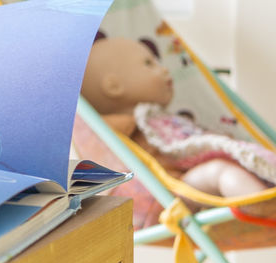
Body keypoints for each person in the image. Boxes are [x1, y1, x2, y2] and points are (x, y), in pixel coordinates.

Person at [81, 35, 274, 200]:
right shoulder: (110, 128)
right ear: (114, 86)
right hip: (174, 187)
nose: (164, 69)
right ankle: (264, 205)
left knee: (244, 162)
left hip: (193, 177)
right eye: (149, 63)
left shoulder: (161, 119)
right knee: (220, 171)